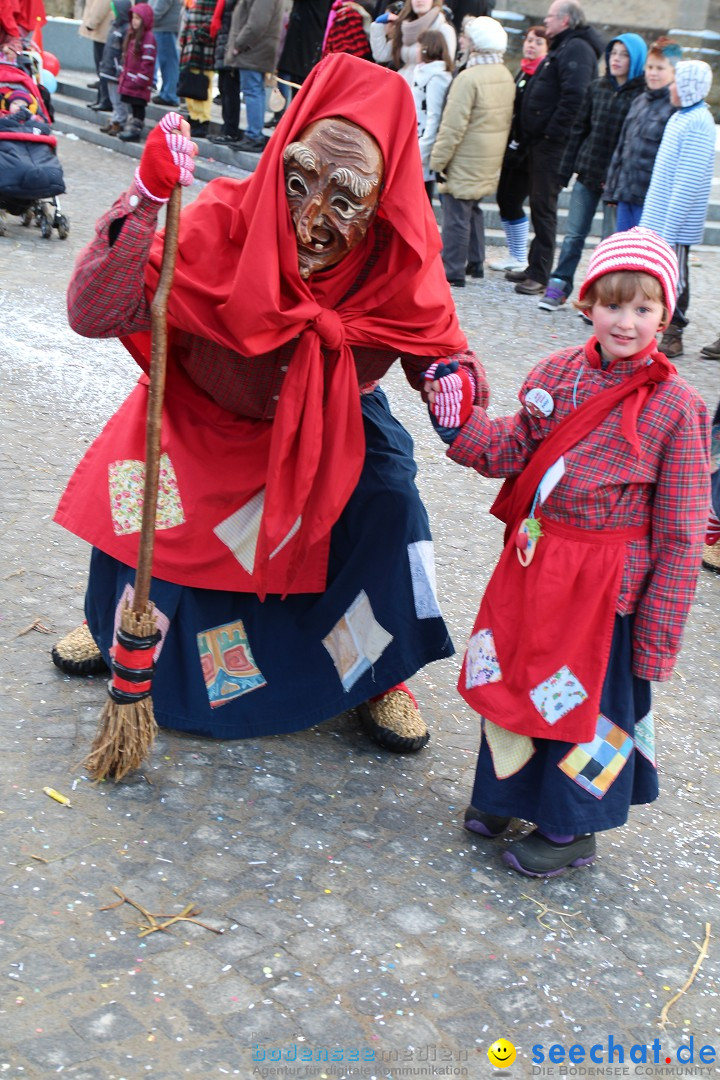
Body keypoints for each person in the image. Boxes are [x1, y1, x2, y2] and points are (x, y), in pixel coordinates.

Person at [52, 53, 483, 758]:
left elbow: (437, 342)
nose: (313, 219)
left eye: (345, 200)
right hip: (203, 409)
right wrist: (143, 197)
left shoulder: (398, 257)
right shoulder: (216, 219)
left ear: (383, 203)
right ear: (281, 153)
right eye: (299, 181)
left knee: (392, 503)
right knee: (137, 477)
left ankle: (380, 670)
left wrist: (451, 379)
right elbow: (92, 311)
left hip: (328, 415)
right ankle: (116, 626)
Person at [424, 227, 709, 877]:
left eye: (643, 308)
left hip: (607, 590)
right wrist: (457, 425)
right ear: (588, 303)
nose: (628, 321)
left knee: (590, 706)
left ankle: (571, 826)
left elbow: (683, 530)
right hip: (535, 567)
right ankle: (503, 795)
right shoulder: (555, 374)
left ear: (665, 313)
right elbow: (507, 450)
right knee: (516, 682)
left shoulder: (677, 409)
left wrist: (657, 633)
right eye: (614, 304)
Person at [536, 32, 647, 313]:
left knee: (611, 241)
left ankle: (605, 297)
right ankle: (559, 285)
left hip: (618, 182)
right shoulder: (596, 87)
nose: (616, 60)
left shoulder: (641, 95)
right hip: (587, 173)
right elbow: (579, 130)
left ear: (635, 60)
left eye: (623, 55)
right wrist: (565, 172)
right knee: (574, 235)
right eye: (613, 53)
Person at [507, 0, 602, 297]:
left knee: (544, 207)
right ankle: (535, 266)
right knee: (536, 204)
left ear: (564, 20)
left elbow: (575, 97)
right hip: (541, 143)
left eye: (549, 17)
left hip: (553, 146)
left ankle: (540, 273)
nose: (545, 22)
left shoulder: (576, 48)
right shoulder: (564, 45)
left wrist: (551, 134)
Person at [430, 15, 513, 286]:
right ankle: (475, 261)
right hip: (487, 156)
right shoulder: (504, 74)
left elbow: (453, 126)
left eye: (466, 36)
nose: (462, 40)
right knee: (473, 207)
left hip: (466, 156)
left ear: (476, 44)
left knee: (455, 214)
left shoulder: (469, 78)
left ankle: (451, 269)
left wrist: (438, 160)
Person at [640, 60, 715, 360]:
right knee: (663, 273)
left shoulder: (699, 121)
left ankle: (675, 330)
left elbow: (689, 180)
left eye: (676, 82)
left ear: (688, 87)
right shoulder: (681, 117)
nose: (670, 86)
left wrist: (670, 229)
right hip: (660, 214)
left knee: (676, 275)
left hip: (675, 221)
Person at [603, 37, 681, 234]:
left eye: (660, 68)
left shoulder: (674, 107)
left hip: (652, 200)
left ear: (673, 71)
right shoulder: (639, 101)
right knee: (624, 251)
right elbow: (622, 148)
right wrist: (613, 190)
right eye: (650, 67)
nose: (653, 73)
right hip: (626, 194)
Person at [488, 24, 547, 274]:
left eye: (538, 42)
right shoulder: (522, 71)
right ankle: (516, 254)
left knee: (511, 199)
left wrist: (519, 145)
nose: (531, 45)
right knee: (505, 199)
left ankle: (519, 255)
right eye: (529, 40)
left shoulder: (541, 74)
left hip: (526, 152)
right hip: (513, 148)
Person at [224, 0, 284, 153]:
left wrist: (239, 44)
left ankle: (254, 136)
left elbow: (257, 24)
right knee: (254, 90)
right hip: (255, 49)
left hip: (253, 50)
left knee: (253, 90)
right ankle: (253, 134)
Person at [370, 0, 456, 85]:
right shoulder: (406, 27)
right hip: (402, 85)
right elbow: (381, 55)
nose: (419, 1)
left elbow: (445, 67)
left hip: (423, 89)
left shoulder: (443, 29)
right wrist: (378, 25)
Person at [411, 28, 452, 201]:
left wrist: (421, 151)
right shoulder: (421, 71)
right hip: (415, 138)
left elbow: (433, 117)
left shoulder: (437, 77)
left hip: (423, 146)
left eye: (419, 46)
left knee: (421, 198)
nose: (416, 50)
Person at [117, 2, 157, 142]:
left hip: (138, 82)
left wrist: (139, 79)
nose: (134, 21)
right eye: (133, 18)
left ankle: (136, 130)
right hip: (131, 80)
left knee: (138, 107)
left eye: (138, 18)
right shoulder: (133, 35)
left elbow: (148, 61)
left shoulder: (148, 38)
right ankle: (132, 127)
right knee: (132, 106)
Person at [178, 0, 216, 139]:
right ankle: (194, 118)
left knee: (203, 87)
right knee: (190, 86)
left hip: (203, 48)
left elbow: (213, 21)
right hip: (191, 47)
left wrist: (196, 35)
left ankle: (202, 121)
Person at [208, 0, 242, 145]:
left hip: (231, 48)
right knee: (224, 89)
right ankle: (226, 129)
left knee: (230, 91)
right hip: (224, 45)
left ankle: (231, 131)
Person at [98, 0, 132, 137]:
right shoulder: (115, 26)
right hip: (109, 68)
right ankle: (115, 119)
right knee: (113, 97)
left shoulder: (125, 28)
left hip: (117, 69)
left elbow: (123, 51)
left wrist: (120, 67)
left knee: (118, 99)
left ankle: (120, 121)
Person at [80, 0, 114, 112]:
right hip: (107, 27)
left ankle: (105, 99)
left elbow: (101, 5)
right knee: (104, 67)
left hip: (103, 29)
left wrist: (91, 23)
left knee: (103, 67)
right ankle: (102, 98)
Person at [150, 0, 181, 106]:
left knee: (169, 62)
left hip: (166, 27)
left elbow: (160, 7)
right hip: (165, 26)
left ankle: (169, 95)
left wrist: (147, 19)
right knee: (168, 62)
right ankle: (167, 93)